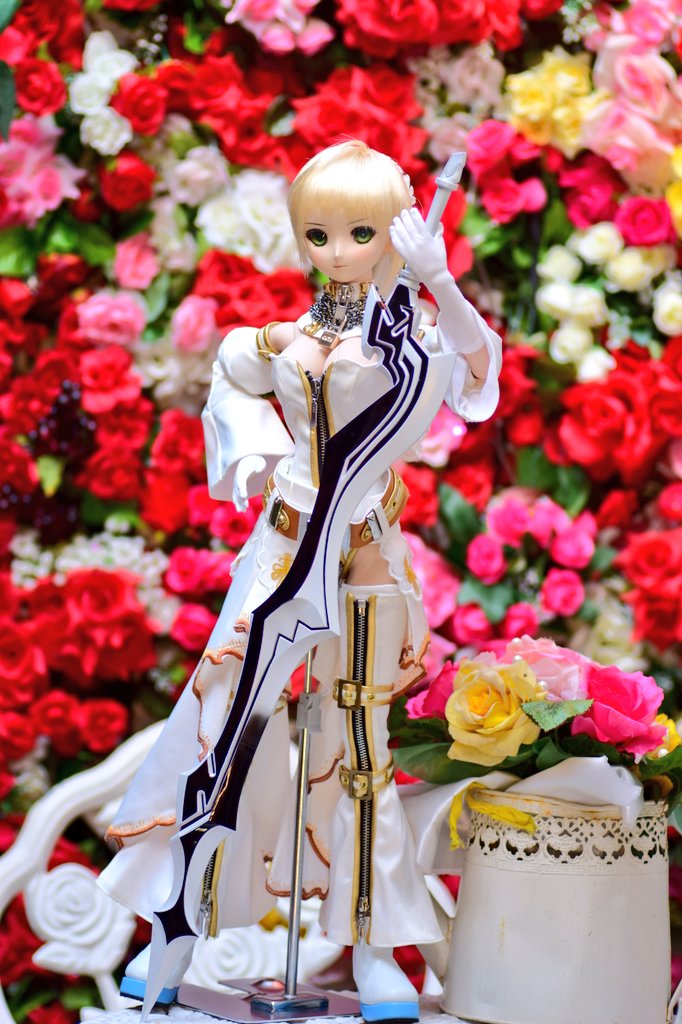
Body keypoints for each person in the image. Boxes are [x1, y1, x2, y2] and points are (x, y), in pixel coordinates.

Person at [98, 140, 502, 1022]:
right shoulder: (294, 335)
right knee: (224, 733)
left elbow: (477, 376)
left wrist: (441, 281)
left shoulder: (413, 339)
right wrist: (253, 452)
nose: (339, 251)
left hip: (363, 554)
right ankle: (177, 933)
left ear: (396, 230)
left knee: (360, 746)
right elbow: (233, 370)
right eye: (319, 233)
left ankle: (372, 949)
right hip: (282, 551)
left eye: (361, 231)